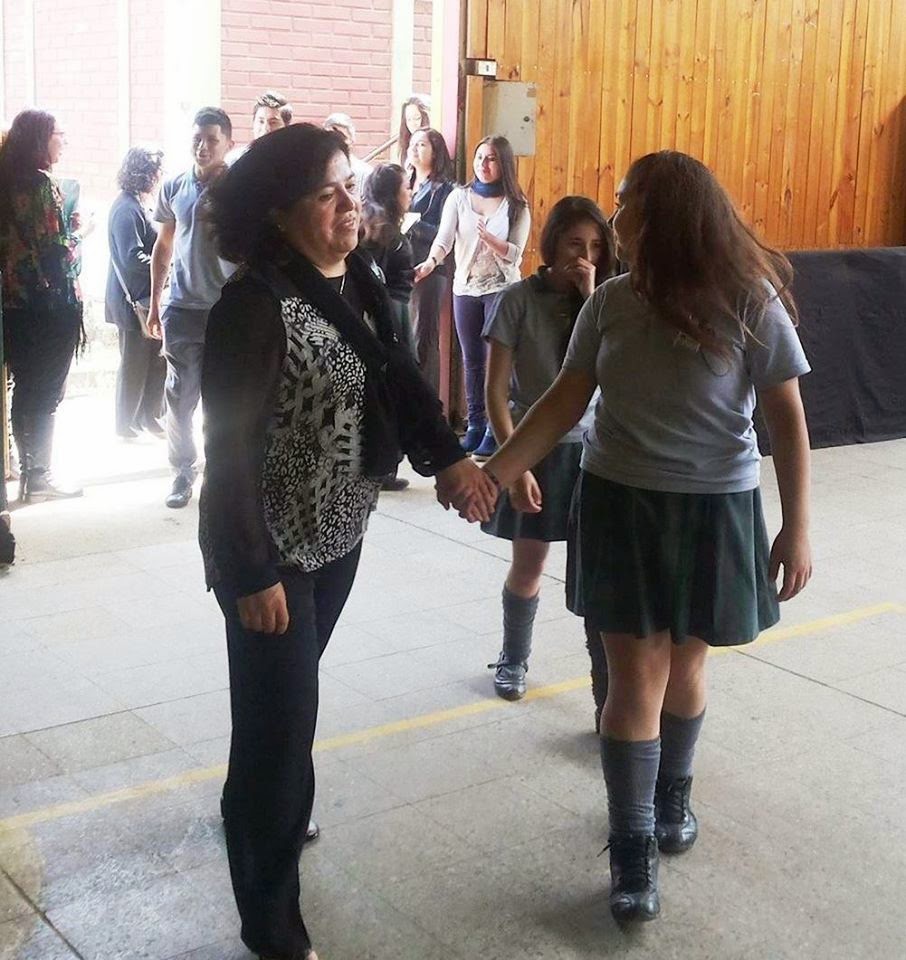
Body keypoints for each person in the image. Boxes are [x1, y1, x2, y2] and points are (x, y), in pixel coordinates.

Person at [480, 151, 812, 924]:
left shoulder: (748, 297)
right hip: (620, 504)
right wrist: (495, 472)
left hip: (716, 507)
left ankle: (672, 797)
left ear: (666, 213)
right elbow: (563, 402)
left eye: (626, 201)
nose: (615, 213)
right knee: (634, 680)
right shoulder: (611, 303)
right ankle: (631, 846)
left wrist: (797, 527)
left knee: (686, 668)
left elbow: (787, 419)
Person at [200, 122, 496, 960]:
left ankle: (258, 804)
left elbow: (400, 379)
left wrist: (449, 459)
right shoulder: (253, 306)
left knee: (279, 714)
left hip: (338, 533)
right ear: (279, 211)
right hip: (269, 551)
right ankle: (272, 923)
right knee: (280, 729)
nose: (348, 206)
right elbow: (229, 454)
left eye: (349, 187)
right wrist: (250, 572)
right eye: (326, 194)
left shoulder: (359, 275)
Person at [482, 196, 615, 710]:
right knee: (529, 563)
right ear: (553, 244)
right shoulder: (517, 300)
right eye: (575, 244)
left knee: (597, 576)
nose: (585, 256)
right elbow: (495, 393)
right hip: (534, 447)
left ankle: (607, 682)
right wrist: (514, 466)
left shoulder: (607, 300)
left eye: (596, 247)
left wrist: (590, 296)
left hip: (594, 451)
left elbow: (615, 368)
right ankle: (513, 658)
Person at [414, 135, 530, 460]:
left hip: (501, 290)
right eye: (480, 157)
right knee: (472, 359)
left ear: (503, 164)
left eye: (491, 158)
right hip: (465, 287)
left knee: (497, 361)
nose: (483, 164)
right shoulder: (458, 197)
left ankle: (496, 428)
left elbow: (516, 254)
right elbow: (444, 240)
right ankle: (475, 425)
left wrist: (491, 240)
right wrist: (430, 262)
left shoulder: (517, 204)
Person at [148, 106, 236, 509]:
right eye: (197, 139)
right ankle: (183, 471)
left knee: (225, 399)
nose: (203, 147)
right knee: (180, 396)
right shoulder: (174, 186)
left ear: (228, 144)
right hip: (182, 308)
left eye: (212, 140)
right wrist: (155, 302)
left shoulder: (238, 190)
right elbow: (164, 245)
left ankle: (222, 474)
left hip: (228, 310)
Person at [0, 109, 83, 502]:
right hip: (50, 306)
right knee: (47, 392)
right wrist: (79, 234)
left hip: (14, 304)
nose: (62, 141)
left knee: (25, 388)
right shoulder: (43, 185)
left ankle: (27, 473)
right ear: (40, 140)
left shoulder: (5, 184)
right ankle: (40, 478)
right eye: (57, 134)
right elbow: (55, 253)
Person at [360, 162, 417, 492]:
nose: (410, 192)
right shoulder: (385, 230)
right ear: (393, 194)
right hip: (392, 311)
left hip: (384, 309)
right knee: (395, 385)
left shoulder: (370, 221)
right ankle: (387, 464)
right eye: (405, 188)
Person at [106, 146, 166, 439]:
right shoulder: (126, 209)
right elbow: (132, 258)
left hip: (145, 298)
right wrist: (163, 266)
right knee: (134, 364)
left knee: (155, 361)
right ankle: (125, 423)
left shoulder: (139, 203)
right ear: (146, 174)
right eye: (156, 171)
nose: (159, 175)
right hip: (132, 301)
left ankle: (149, 417)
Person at [406, 127, 455, 393]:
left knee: (424, 337)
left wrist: (413, 225)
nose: (414, 149)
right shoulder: (404, 182)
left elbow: (446, 234)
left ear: (436, 152)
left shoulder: (445, 190)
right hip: (402, 265)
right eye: (412, 143)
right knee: (405, 337)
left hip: (430, 269)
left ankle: (427, 402)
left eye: (422, 145)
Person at [323, 113, 371, 194]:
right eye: (330, 137)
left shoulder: (364, 173)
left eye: (341, 137)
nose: (335, 142)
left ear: (351, 141)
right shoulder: (315, 169)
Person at [397, 94, 430, 166]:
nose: (412, 124)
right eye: (409, 119)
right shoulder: (406, 145)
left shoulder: (431, 143)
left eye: (417, 118)